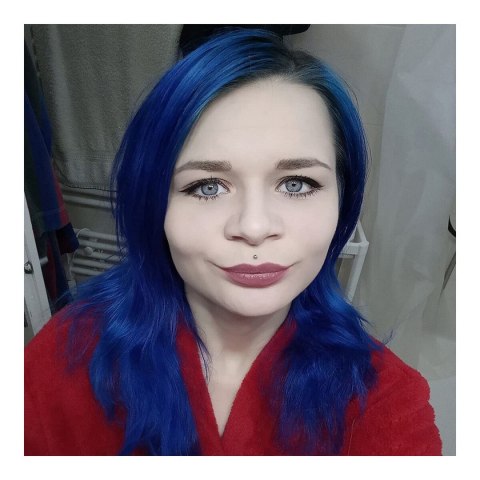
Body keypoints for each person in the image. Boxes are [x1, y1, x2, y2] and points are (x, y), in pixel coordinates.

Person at [24, 28, 442, 456]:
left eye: (297, 184)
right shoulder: (64, 356)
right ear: (153, 202)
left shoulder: (386, 402)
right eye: (207, 187)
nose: (254, 227)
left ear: (342, 197)